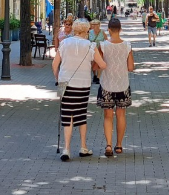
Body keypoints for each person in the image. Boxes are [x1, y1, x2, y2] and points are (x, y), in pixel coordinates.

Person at [52, 19, 107, 161]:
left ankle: (66, 149)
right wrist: (94, 65)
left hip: (64, 83)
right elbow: (102, 65)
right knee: (81, 114)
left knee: (66, 115)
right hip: (82, 84)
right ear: (86, 30)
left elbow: (54, 64)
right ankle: (83, 147)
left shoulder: (64, 43)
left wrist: (58, 79)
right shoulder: (90, 45)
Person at [98, 18, 134, 157]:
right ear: (120, 29)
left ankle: (108, 144)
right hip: (122, 85)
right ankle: (119, 145)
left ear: (108, 29)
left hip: (107, 84)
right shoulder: (127, 46)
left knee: (108, 116)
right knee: (121, 115)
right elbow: (130, 67)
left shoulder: (103, 46)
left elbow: (98, 65)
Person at [89, 20, 107, 84]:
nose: (94, 26)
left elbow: (106, 40)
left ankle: (98, 77)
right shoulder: (89, 32)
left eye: (95, 24)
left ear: (99, 25)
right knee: (92, 63)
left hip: (100, 50)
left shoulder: (102, 32)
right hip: (92, 50)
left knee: (99, 63)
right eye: (92, 24)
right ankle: (94, 75)